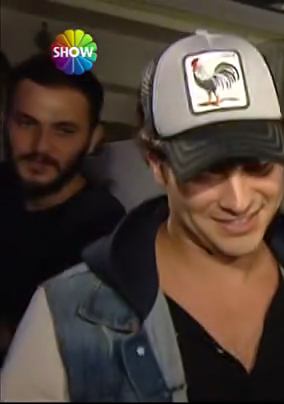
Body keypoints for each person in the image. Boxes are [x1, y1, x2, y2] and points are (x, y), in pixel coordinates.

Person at [0, 31, 284, 402]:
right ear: (157, 164)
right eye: (206, 172)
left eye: (258, 165)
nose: (239, 200)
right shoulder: (67, 313)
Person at [0, 54, 125, 363]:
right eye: (27, 123)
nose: (41, 146)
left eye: (64, 130)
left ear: (94, 139)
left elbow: (60, 351)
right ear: (5, 122)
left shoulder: (104, 231)